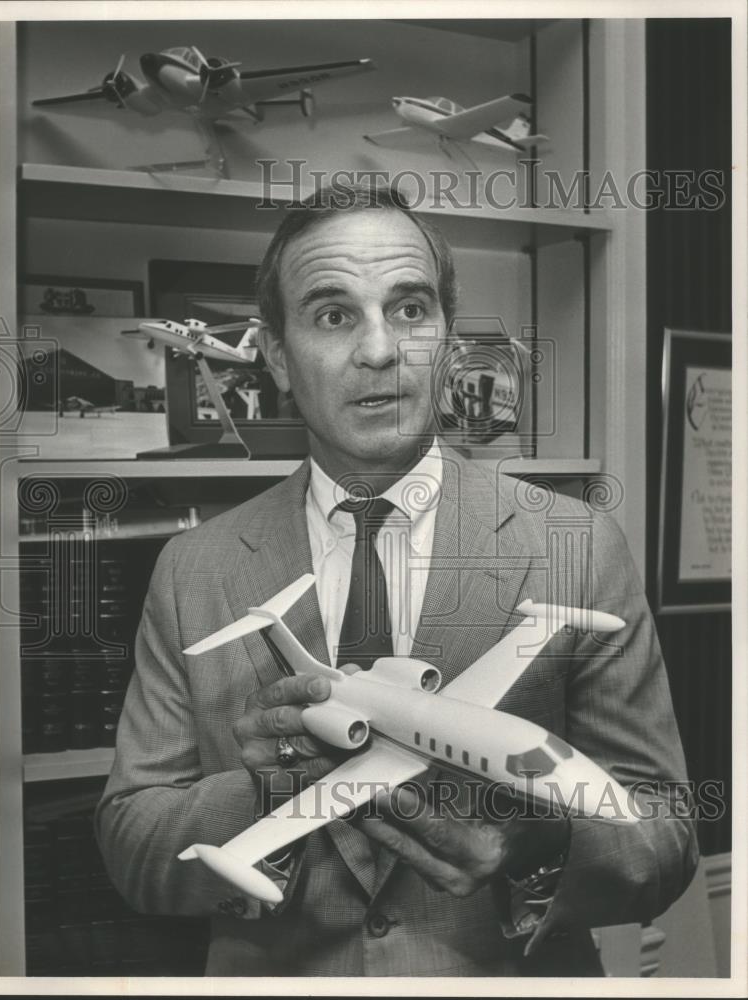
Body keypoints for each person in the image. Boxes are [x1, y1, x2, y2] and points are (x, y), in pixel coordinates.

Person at [95, 182, 698, 977]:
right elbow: (132, 849)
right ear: (274, 354)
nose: (380, 350)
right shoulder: (193, 567)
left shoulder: (577, 545)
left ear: (446, 340)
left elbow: (663, 837)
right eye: (333, 314)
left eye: (411, 309)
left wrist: (537, 841)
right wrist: (267, 788)